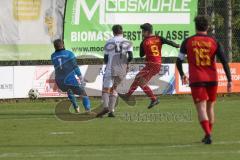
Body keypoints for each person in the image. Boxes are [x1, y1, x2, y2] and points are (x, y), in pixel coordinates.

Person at [176, 16, 232, 144]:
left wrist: (183, 74)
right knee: (210, 108)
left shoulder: (188, 41)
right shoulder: (214, 41)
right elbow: (224, 61)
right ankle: (208, 135)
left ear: (195, 27)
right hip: (212, 78)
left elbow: (179, 61)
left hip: (197, 79)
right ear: (207, 27)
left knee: (201, 108)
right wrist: (229, 80)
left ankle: (208, 134)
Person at [119, 23, 179, 109]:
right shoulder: (158, 38)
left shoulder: (144, 42)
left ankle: (154, 99)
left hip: (152, 64)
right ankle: (128, 95)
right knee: (137, 78)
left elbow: (141, 55)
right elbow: (170, 42)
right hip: (155, 64)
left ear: (146, 32)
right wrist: (178, 45)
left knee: (141, 82)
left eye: (142, 32)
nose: (141, 33)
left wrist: (144, 48)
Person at [96, 25, 133, 118]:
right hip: (122, 70)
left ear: (113, 32)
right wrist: (126, 64)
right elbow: (131, 56)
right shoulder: (127, 42)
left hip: (111, 68)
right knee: (114, 89)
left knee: (105, 89)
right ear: (122, 31)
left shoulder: (109, 42)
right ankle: (111, 111)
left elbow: (105, 58)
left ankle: (105, 107)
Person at [51, 39, 91, 113]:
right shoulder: (69, 54)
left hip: (59, 81)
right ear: (63, 45)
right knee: (83, 93)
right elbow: (75, 66)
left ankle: (76, 107)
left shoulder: (53, 56)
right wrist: (81, 77)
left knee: (69, 91)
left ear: (54, 47)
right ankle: (88, 110)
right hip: (69, 79)